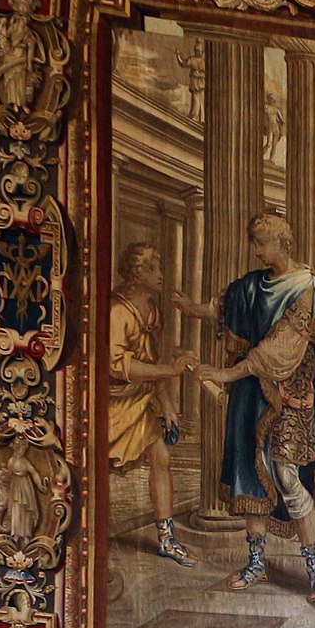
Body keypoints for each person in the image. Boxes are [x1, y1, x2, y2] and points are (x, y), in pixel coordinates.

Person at [200, 212, 315, 598]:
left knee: (288, 477)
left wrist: (224, 374)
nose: (256, 251)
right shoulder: (251, 285)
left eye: (261, 243)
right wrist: (188, 307)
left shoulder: (308, 285)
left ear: (281, 242)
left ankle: (314, 566)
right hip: (252, 392)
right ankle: (257, 562)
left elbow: (283, 346)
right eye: (254, 243)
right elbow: (224, 310)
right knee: (249, 473)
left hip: (291, 396)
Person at [108, 241, 201, 565]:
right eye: (152, 268)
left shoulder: (153, 310)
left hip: (139, 400)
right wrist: (171, 370)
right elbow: (117, 365)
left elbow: (151, 361)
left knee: (161, 457)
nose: (160, 274)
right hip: (111, 404)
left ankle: (166, 539)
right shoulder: (117, 311)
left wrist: (167, 403)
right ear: (136, 273)